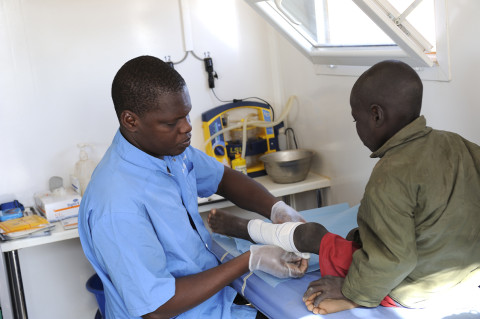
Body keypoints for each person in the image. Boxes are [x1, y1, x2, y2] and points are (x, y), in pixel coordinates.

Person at [208, 59, 480, 315]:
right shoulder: (460, 144)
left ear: (376, 115)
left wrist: (350, 289)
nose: (357, 128)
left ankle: (245, 228)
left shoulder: (390, 174)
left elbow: (394, 259)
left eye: (356, 119)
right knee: (356, 235)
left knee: (313, 234)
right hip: (465, 276)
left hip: (412, 287)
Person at [77, 55, 309, 319]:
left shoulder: (168, 151)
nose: (187, 127)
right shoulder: (117, 205)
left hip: (216, 301)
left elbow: (223, 178)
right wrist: (249, 260)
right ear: (131, 121)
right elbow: (156, 307)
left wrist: (276, 209)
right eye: (171, 123)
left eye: (186, 115)